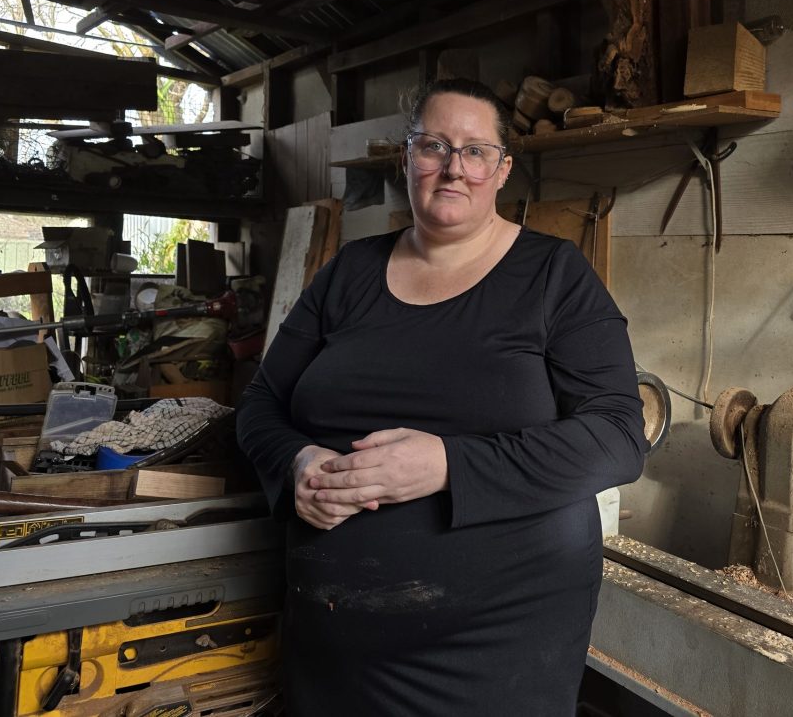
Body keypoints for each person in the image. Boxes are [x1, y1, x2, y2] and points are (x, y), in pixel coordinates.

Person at [236, 77, 647, 716]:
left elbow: (621, 436)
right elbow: (261, 403)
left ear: (503, 169)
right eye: (433, 146)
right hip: (332, 654)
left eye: (476, 151)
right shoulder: (348, 273)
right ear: (407, 159)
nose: (454, 168)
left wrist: (449, 465)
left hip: (495, 654)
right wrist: (296, 463)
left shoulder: (554, 276)